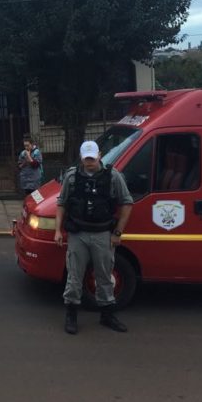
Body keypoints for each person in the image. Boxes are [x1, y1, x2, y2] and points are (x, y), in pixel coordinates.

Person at [54, 140, 133, 335]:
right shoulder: (72, 177)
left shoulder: (113, 176)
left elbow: (127, 203)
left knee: (105, 276)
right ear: (81, 158)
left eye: (92, 158)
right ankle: (71, 314)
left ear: (99, 155)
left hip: (102, 234)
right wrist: (57, 230)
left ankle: (107, 315)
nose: (89, 162)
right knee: (74, 277)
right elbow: (61, 203)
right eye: (86, 158)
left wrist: (118, 232)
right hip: (78, 234)